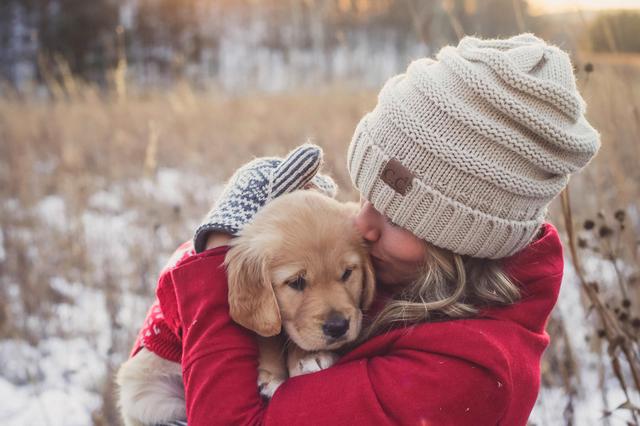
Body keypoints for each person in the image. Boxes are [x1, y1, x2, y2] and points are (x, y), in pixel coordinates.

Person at [152, 34, 600, 425]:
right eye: (366, 197)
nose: (359, 224)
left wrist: (220, 249)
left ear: (461, 242)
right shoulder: (412, 275)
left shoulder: (464, 376)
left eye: (394, 216)